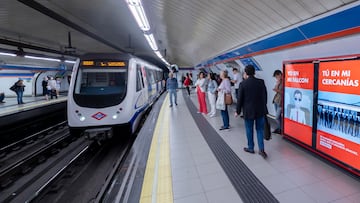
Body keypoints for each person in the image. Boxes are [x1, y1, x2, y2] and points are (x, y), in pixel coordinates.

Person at [235, 65, 268, 158]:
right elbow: (265, 96)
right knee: (260, 130)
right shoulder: (261, 82)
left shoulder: (243, 84)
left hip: (248, 111)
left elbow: (240, 99)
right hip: (260, 110)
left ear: (246, 73)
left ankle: (251, 148)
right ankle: (261, 149)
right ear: (254, 72)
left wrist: (237, 111)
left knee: (249, 130)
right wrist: (263, 106)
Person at [272, 70, 283, 134]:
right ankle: (279, 128)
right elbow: (275, 89)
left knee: (277, 117)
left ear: (280, 75)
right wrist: (277, 83)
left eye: (277, 76)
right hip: (276, 100)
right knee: (278, 117)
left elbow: (284, 92)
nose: (276, 78)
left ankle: (281, 129)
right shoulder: (279, 82)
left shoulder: (284, 81)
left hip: (280, 101)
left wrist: (277, 90)